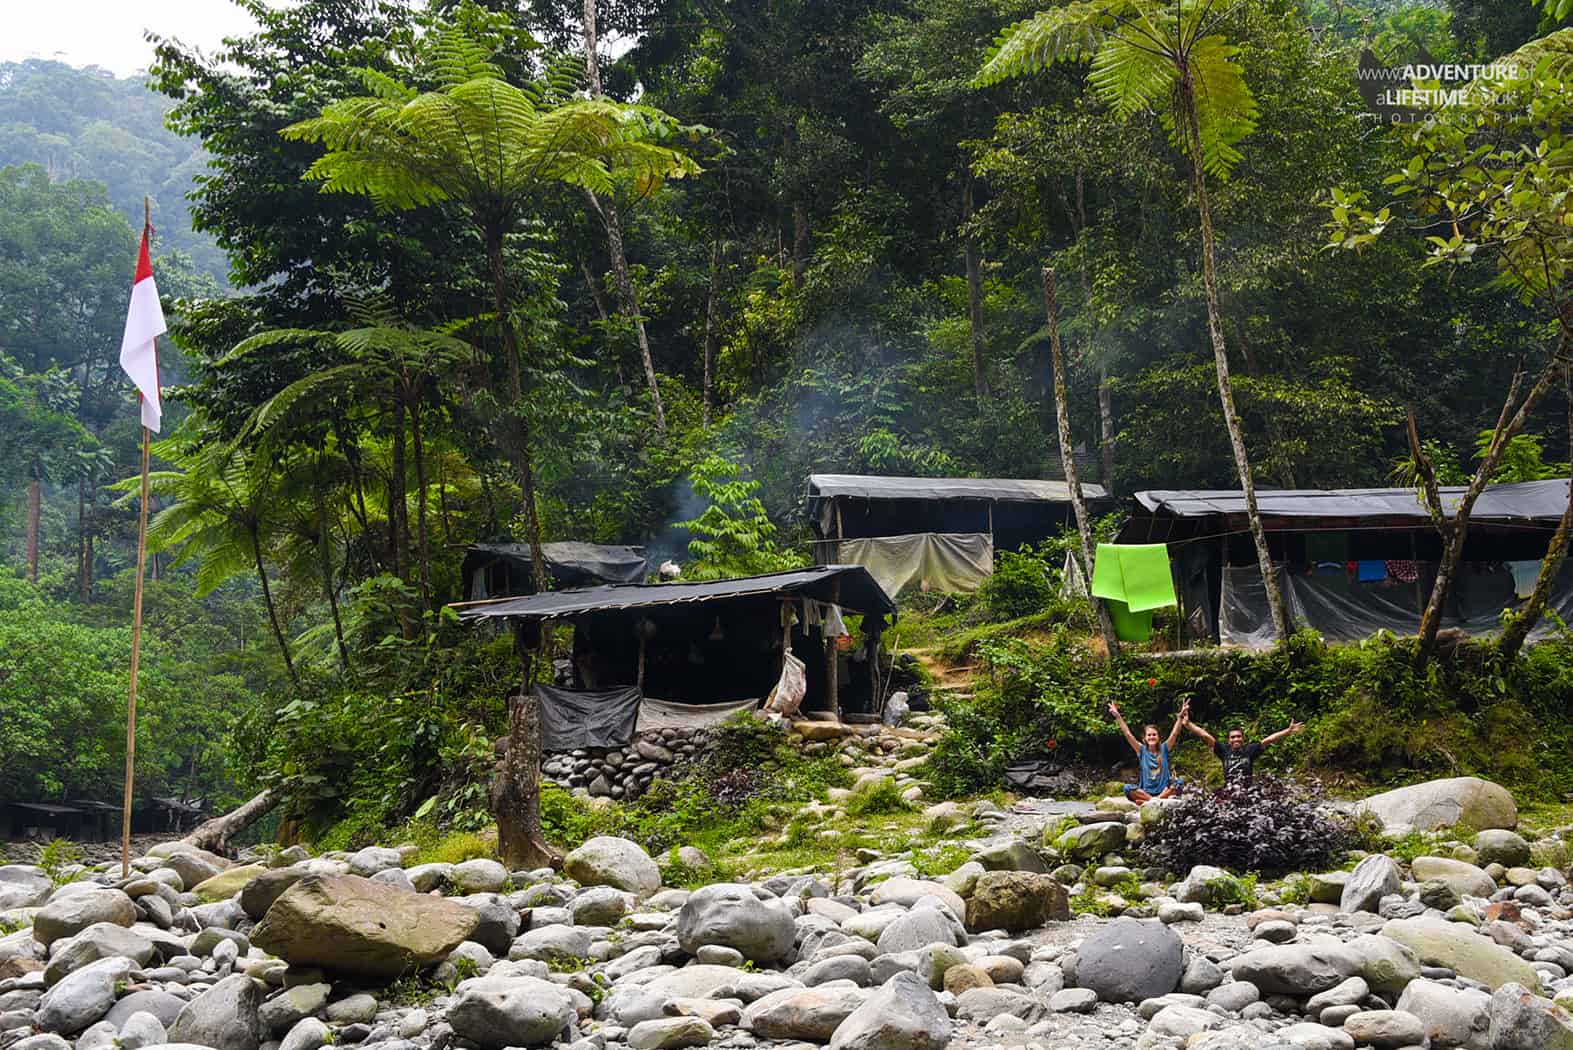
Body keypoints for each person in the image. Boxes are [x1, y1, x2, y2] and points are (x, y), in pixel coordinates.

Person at [1109, 698, 1187, 805]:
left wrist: (1180, 717)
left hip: (1164, 790)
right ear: (1144, 738)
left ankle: (1150, 801)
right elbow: (1128, 734)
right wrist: (1118, 716)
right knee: (1127, 788)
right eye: (1149, 735)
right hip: (1146, 792)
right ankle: (1154, 800)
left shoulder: (1164, 748)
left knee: (1179, 783)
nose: (1151, 737)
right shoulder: (1141, 750)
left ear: (1159, 737)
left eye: (1154, 735)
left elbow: (1174, 734)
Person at [1184, 715, 1305, 783]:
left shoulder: (1250, 750)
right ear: (1228, 740)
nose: (1236, 739)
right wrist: (1189, 724)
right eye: (1233, 737)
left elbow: (1269, 740)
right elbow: (1205, 735)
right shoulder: (1224, 750)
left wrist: (1288, 731)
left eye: (1238, 736)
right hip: (1230, 791)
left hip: (1248, 792)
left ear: (1243, 738)